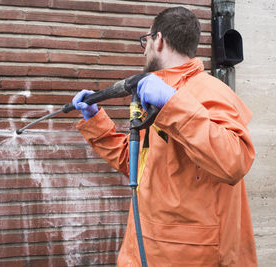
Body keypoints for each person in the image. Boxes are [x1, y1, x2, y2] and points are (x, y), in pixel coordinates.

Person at [72, 6, 257, 267]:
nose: (144, 49)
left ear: (158, 40)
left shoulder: (208, 91)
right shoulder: (157, 94)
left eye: (144, 41)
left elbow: (234, 161)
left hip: (188, 257)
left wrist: (172, 103)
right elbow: (140, 166)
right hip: (145, 249)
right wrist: (96, 121)